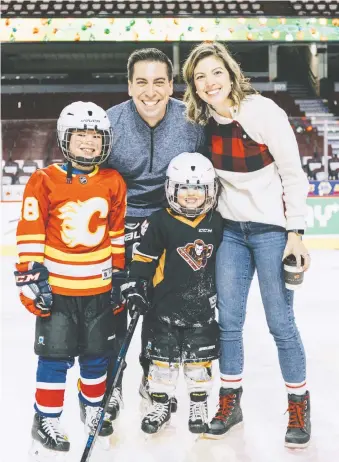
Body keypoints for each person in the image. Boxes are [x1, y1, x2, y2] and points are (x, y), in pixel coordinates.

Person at [182, 42, 312, 448]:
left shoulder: (262, 112)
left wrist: (296, 233)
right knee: (230, 323)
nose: (209, 82)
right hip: (231, 232)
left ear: (231, 73)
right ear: (194, 86)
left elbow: (293, 173)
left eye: (215, 72)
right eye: (200, 77)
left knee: (280, 323)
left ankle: (298, 404)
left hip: (272, 230)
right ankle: (230, 401)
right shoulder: (201, 119)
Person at [14, 102, 127, 458]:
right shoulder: (43, 179)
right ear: (65, 138)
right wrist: (31, 277)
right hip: (59, 290)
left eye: (96, 136)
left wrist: (121, 277)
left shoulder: (113, 181)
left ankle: (93, 408)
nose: (89, 143)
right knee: (54, 356)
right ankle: (45, 418)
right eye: (81, 135)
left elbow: (117, 235)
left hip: (99, 289)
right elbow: (31, 230)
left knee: (97, 356)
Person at [105, 48, 205, 420]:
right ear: (129, 85)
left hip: (169, 228)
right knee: (114, 312)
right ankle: (112, 386)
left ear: (171, 85)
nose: (151, 91)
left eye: (159, 82)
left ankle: (154, 385)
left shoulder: (191, 121)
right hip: (119, 228)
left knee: (159, 315)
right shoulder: (110, 123)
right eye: (142, 82)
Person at [122, 152, 223, 434]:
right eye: (184, 188)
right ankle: (160, 404)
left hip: (202, 308)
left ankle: (199, 404)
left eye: (198, 189)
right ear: (171, 190)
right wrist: (137, 286)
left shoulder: (217, 223)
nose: (191, 195)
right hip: (162, 307)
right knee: (161, 364)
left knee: (198, 365)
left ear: (210, 191)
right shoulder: (159, 222)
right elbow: (144, 258)